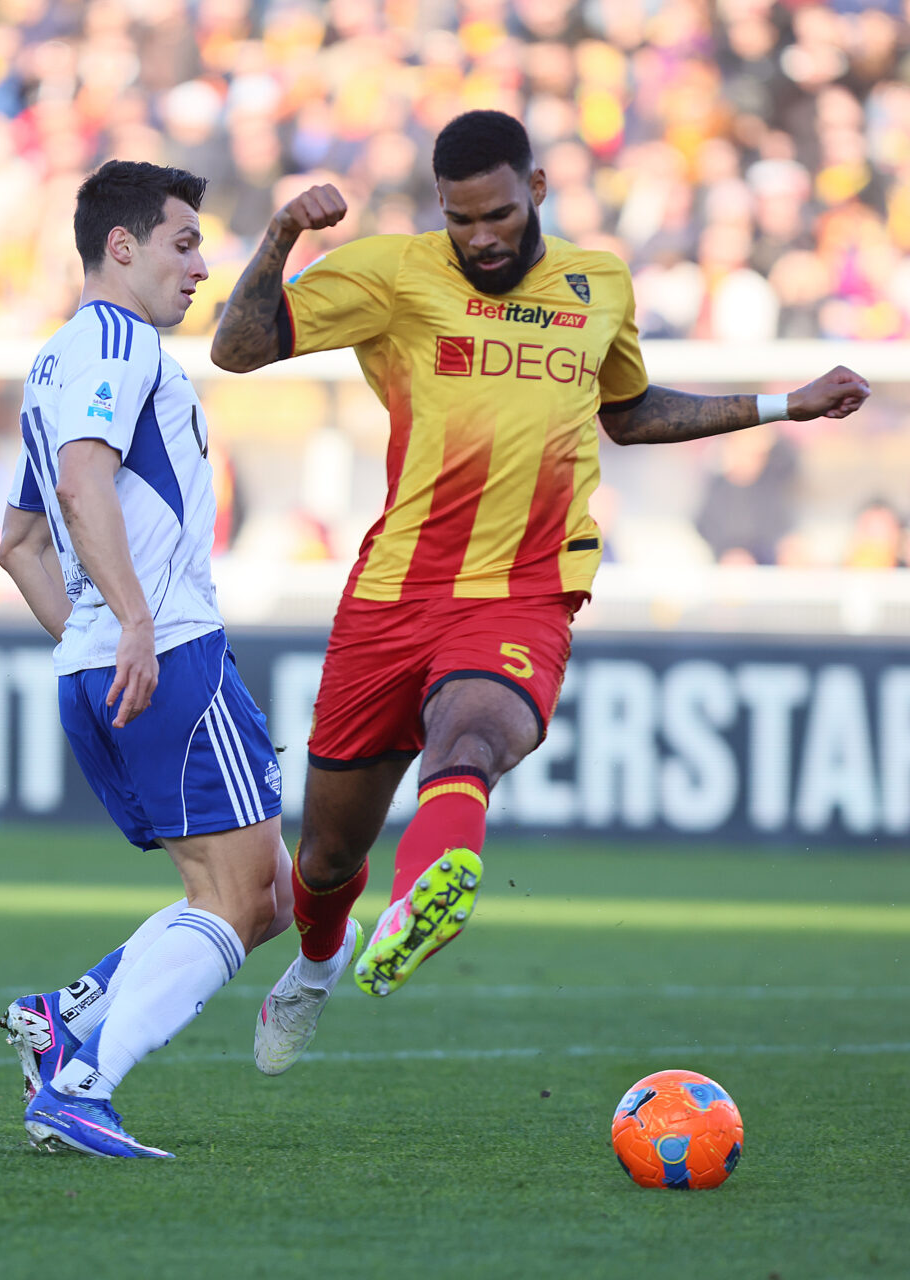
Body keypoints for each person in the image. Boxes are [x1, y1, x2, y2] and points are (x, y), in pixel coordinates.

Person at [210, 110, 869, 1076]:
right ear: (440, 208)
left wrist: (780, 405)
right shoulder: (393, 273)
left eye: (500, 215)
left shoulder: (598, 284)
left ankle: (424, 894)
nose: (481, 238)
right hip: (394, 595)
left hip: (526, 587)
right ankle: (317, 963)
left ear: (538, 191)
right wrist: (279, 238)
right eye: (461, 220)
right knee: (324, 858)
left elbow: (629, 413)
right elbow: (237, 349)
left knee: (470, 740)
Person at [0, 160, 314, 1158]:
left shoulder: (55, 361)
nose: (200, 266)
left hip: (111, 663)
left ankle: (64, 1016)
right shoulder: (115, 342)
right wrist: (132, 625)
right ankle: (83, 1083)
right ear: (121, 245)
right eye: (183, 243)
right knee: (240, 898)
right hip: (168, 651)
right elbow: (80, 483)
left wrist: (95, 640)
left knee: (268, 895)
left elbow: (19, 542)